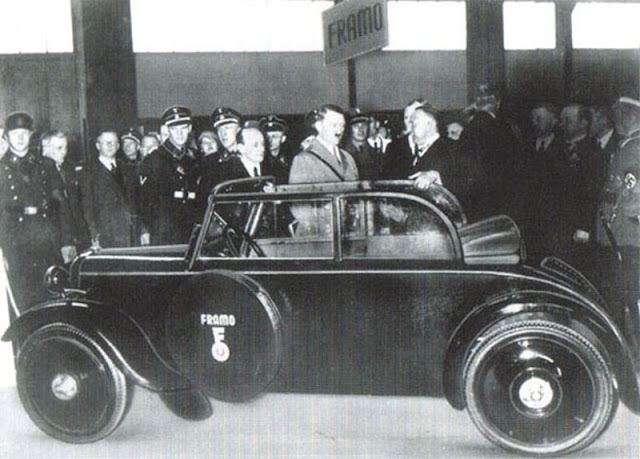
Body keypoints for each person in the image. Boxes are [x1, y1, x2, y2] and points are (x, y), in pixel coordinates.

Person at [0, 112, 75, 312]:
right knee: (22, 301)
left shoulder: (46, 165)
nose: (20, 137)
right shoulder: (1, 168)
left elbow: (62, 205)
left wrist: (67, 241)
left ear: (31, 135)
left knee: (53, 296)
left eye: (24, 133)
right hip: (16, 244)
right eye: (15, 133)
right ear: (6, 137)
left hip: (47, 239)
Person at [597, 97, 640, 345]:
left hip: (628, 237)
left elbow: (634, 197)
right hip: (619, 236)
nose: (616, 121)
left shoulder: (636, 148)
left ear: (632, 116)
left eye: (620, 116)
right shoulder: (626, 145)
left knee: (631, 298)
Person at [138, 105, 201, 245]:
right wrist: (145, 229)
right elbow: (145, 200)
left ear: (190, 129)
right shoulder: (154, 159)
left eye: (183, 128)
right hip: (164, 230)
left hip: (190, 229)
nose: (180, 134)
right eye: (174, 129)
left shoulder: (192, 159)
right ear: (167, 130)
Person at [80, 130, 136, 248]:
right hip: (104, 234)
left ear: (118, 146)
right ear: (98, 145)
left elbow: (134, 202)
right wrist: (93, 234)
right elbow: (86, 206)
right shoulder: (88, 171)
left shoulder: (127, 169)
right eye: (106, 142)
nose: (110, 145)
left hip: (128, 233)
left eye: (113, 142)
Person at [41, 130, 90, 250]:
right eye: (59, 148)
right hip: (54, 240)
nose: (64, 152)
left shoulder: (69, 169)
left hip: (76, 237)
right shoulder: (39, 173)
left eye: (65, 147)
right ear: (45, 148)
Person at [289, 104, 358, 184]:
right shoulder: (303, 160)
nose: (339, 130)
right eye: (334, 125)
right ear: (319, 126)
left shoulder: (349, 159)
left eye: (342, 125)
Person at [342, 108, 382, 180]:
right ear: (349, 129)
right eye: (356, 126)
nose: (360, 129)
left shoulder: (375, 153)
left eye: (364, 125)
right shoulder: (343, 153)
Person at [259, 114, 290, 184]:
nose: (270, 140)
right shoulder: (259, 160)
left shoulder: (289, 158)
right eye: (266, 137)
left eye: (275, 136)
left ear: (283, 139)